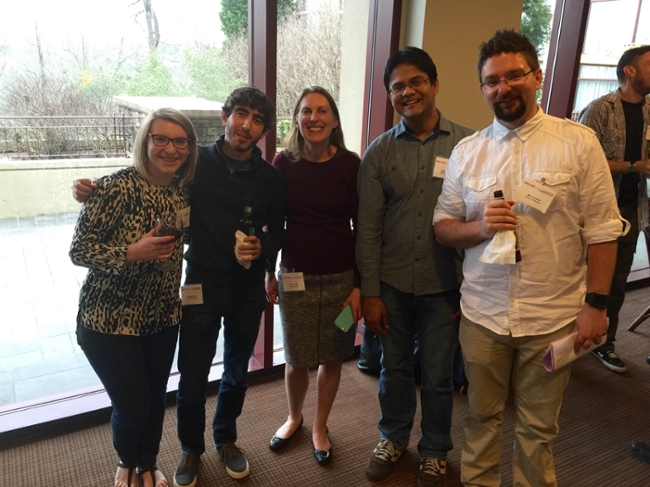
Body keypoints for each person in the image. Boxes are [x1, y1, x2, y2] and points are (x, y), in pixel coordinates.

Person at [433, 30, 625, 486]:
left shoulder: (578, 144)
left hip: (552, 318)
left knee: (539, 428)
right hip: (482, 317)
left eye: (514, 75)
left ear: (535, 76)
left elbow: (602, 231)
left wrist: (596, 306)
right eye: (492, 81)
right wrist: (479, 227)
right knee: (480, 419)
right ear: (483, 89)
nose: (503, 87)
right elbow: (443, 227)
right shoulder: (467, 152)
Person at [73, 86, 286, 487]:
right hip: (199, 286)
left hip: (245, 289)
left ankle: (226, 439)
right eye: (241, 114)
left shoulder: (272, 178)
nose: (247, 124)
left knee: (237, 372)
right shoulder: (195, 161)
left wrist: (264, 249)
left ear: (263, 130)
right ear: (225, 117)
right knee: (191, 377)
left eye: (257, 119)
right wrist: (93, 187)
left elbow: (278, 231)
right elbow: (145, 176)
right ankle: (191, 448)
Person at [356, 47, 474, 486]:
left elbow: (480, 220)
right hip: (392, 284)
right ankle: (392, 437)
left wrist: (474, 287)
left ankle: (435, 449)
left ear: (435, 84)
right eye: (397, 87)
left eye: (416, 81)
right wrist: (370, 292)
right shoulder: (379, 153)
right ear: (390, 96)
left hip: (447, 285)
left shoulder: (469, 145)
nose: (408, 92)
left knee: (440, 374)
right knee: (394, 368)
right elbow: (367, 230)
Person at [70, 108, 198, 487]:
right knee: (132, 403)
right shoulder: (114, 187)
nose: (170, 148)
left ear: (189, 149)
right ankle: (128, 460)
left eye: (180, 141)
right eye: (160, 138)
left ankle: (148, 462)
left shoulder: (180, 192)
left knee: (155, 398)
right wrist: (130, 252)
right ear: (145, 141)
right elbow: (79, 250)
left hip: (161, 318)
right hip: (108, 321)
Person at [265, 86, 361, 466]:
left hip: (341, 277)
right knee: (296, 356)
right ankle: (294, 418)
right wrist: (267, 272)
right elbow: (274, 223)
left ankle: (320, 426)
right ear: (297, 118)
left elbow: (363, 226)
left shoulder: (351, 164)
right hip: (294, 277)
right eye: (306, 111)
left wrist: (359, 286)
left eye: (322, 111)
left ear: (334, 119)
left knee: (333, 357)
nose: (314, 118)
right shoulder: (282, 163)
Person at [578, 45, 650, 374]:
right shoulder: (599, 109)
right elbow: (582, 164)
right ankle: (571, 341)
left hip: (632, 210)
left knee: (617, 283)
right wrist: (635, 166)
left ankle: (605, 342)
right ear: (630, 71)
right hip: (595, 212)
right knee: (583, 281)